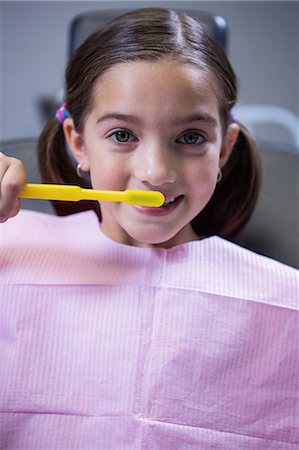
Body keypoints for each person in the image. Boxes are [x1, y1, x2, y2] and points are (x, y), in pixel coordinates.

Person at [0, 7, 297, 450]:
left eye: (191, 137)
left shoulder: (286, 304)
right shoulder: (9, 249)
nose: (157, 172)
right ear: (77, 142)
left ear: (224, 149)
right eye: (122, 135)